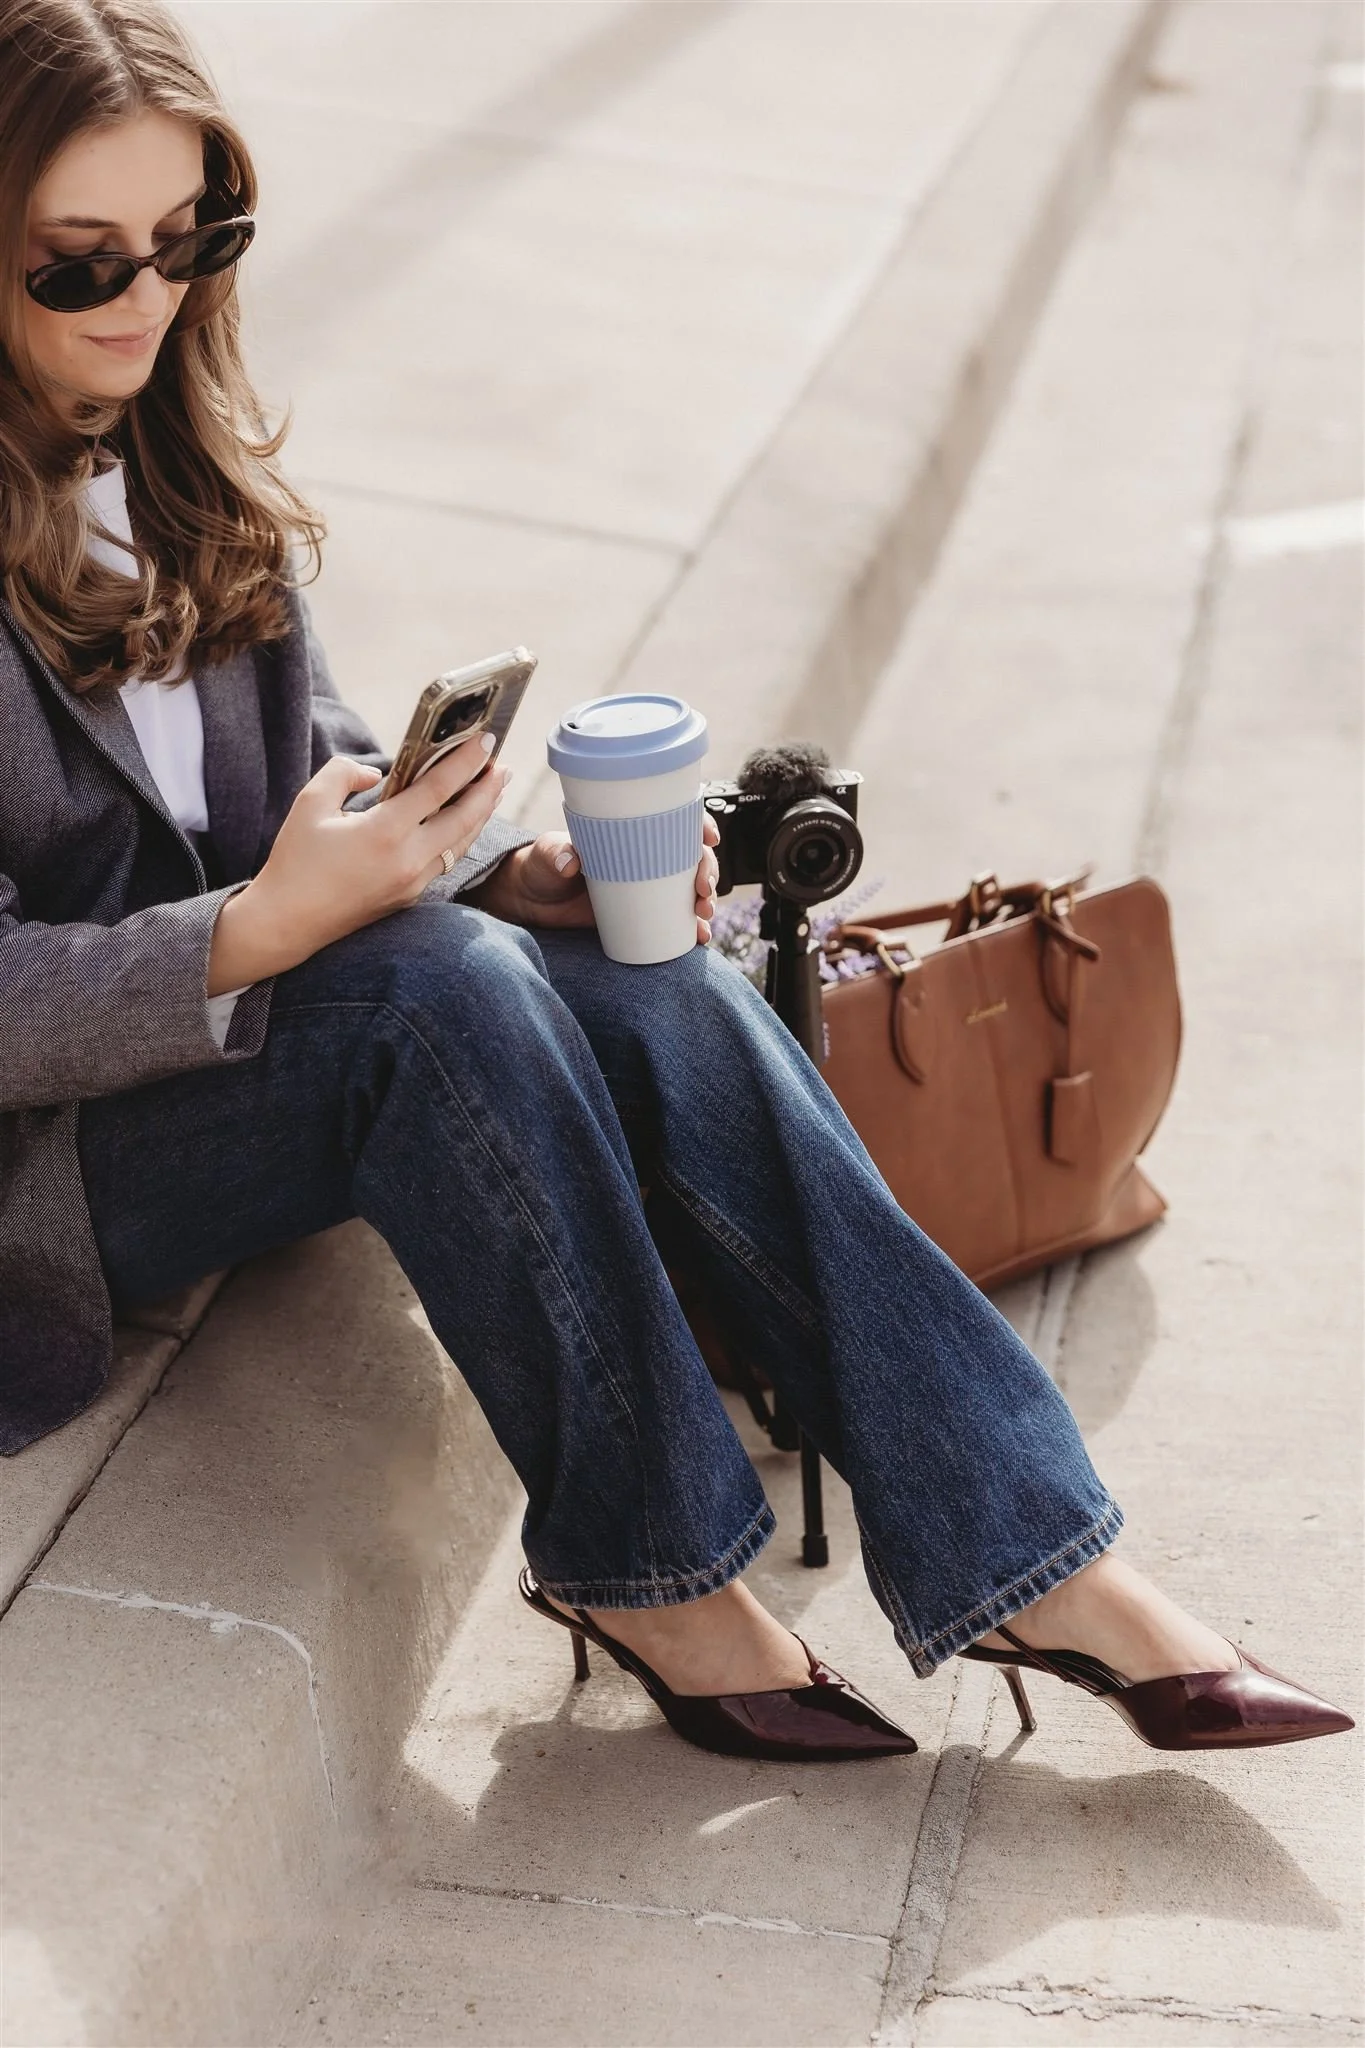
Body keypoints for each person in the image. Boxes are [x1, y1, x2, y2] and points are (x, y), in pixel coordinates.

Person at [0, 0, 1350, 1764]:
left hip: (263, 1039)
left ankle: (1032, 1552)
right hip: (60, 1167)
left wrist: (509, 864)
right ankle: (654, 1574)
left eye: (192, 244)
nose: (144, 302)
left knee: (641, 964)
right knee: (435, 992)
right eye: (79, 266)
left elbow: (312, 759)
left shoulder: (168, 458)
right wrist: (262, 931)